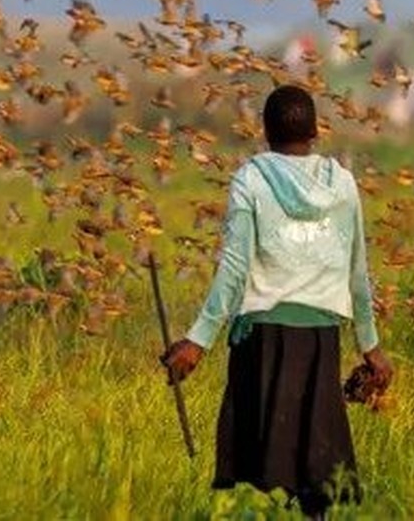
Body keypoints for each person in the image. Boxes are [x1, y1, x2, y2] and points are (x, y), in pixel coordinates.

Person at [162, 84, 393, 518]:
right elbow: (356, 270)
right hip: (321, 340)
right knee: (316, 464)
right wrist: (371, 346)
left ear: (265, 132)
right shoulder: (342, 184)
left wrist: (197, 342)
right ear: (315, 133)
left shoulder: (251, 178)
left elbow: (233, 268)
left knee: (264, 467)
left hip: (263, 340)